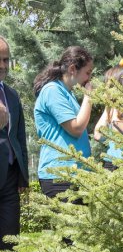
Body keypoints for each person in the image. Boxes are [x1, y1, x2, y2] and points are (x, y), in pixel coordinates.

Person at [33, 46, 94, 199]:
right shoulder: (52, 90)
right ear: (73, 69)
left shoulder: (68, 93)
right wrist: (89, 96)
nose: (89, 78)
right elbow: (76, 128)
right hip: (59, 175)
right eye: (87, 73)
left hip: (76, 173)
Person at [0, 36, 29, 252]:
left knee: (10, 234)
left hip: (9, 176)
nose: (3, 65)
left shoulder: (12, 95)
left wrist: (23, 175)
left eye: (6, 59)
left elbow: (19, 136)